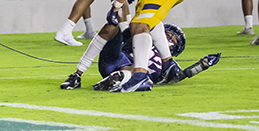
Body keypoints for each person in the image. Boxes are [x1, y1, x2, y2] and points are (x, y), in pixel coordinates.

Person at [61, 19, 220, 91]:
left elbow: (179, 76)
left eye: (173, 41)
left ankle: (121, 77)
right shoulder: (145, 33)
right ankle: (77, 75)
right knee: (111, 27)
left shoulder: (167, 63)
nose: (169, 40)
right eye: (168, 35)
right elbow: (132, 25)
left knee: (137, 69)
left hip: (139, 72)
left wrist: (201, 66)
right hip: (117, 59)